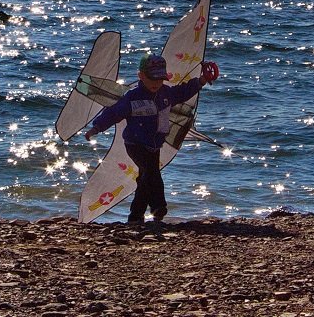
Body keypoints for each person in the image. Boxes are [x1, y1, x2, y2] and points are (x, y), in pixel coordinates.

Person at [84, 54, 217, 224]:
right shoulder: (133, 97)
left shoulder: (166, 94)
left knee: (146, 179)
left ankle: (136, 217)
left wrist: (201, 80)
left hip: (154, 145)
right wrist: (97, 127)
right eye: (152, 78)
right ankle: (158, 207)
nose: (156, 83)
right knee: (151, 174)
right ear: (141, 76)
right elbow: (114, 112)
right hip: (135, 144)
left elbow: (183, 91)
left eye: (160, 79)